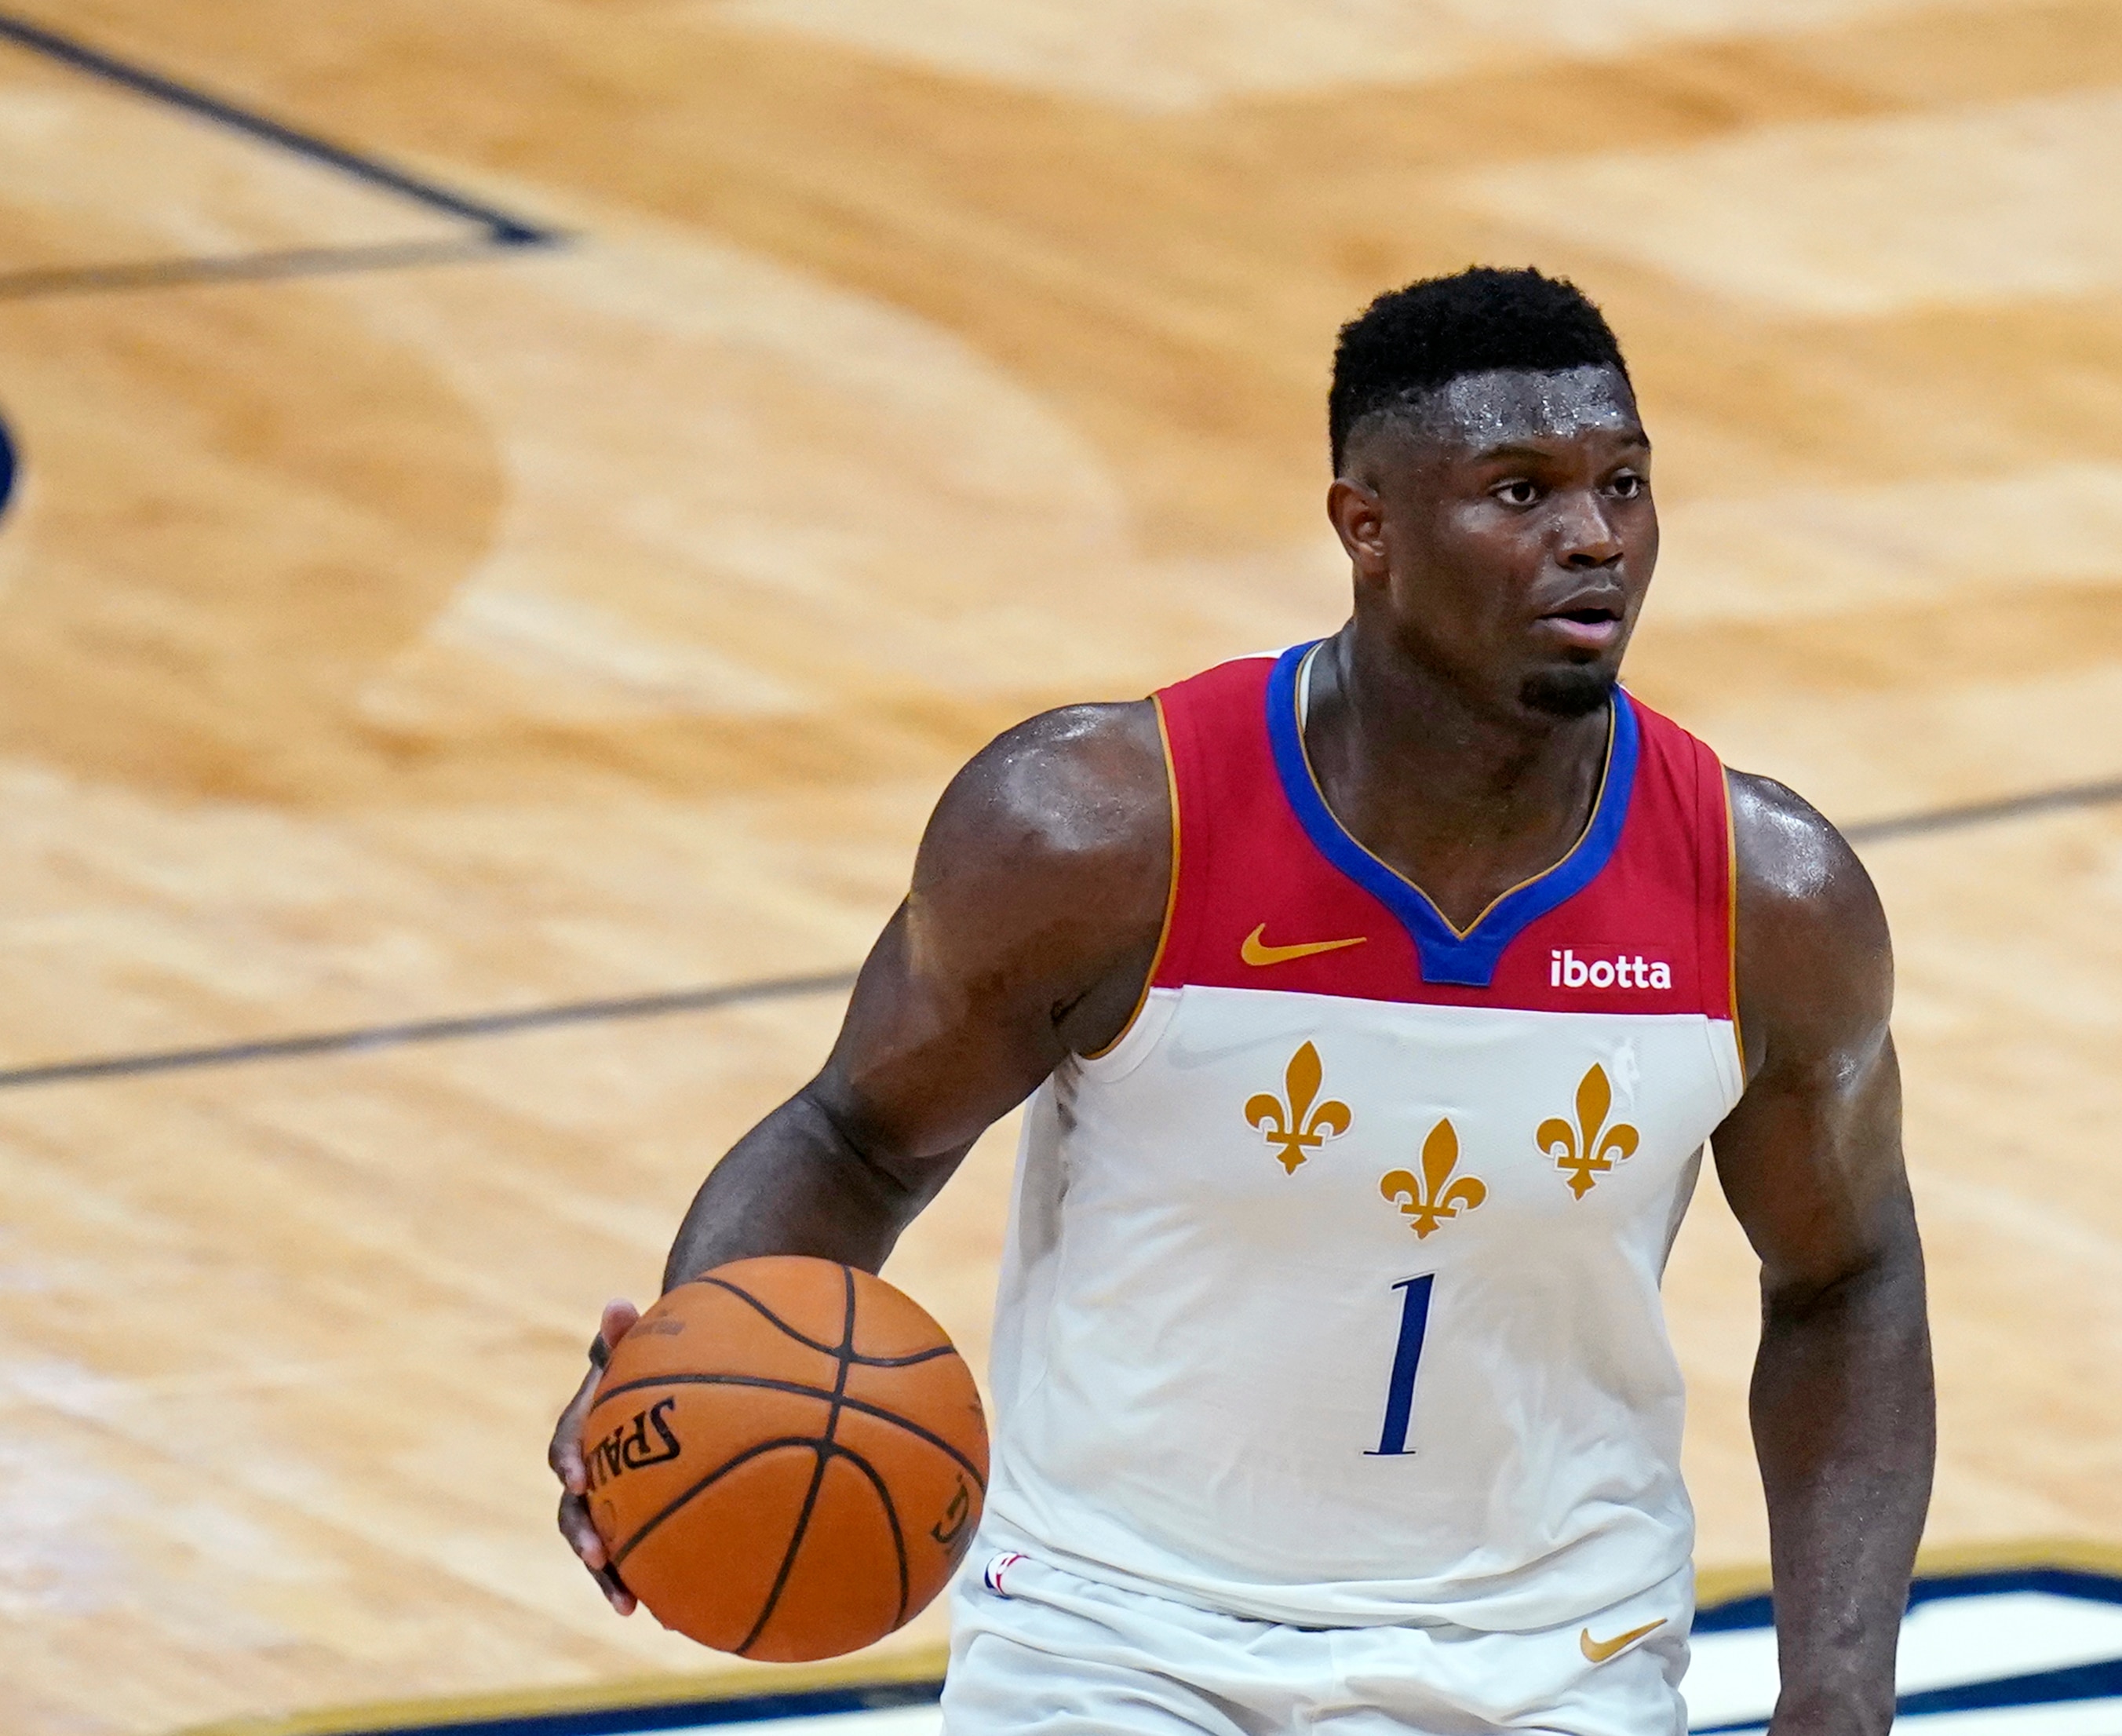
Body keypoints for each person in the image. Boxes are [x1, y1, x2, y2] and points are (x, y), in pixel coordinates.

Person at [549, 266, 1933, 1736]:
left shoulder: (1765, 897)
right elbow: (855, 1141)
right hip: (1113, 1631)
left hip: (1547, 1655)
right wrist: (665, 1390)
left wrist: (1836, 1693)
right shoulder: (1100, 832)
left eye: (1625, 484)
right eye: (1519, 492)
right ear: (1367, 528)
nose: (1592, 537)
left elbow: (1847, 1275)